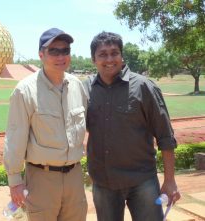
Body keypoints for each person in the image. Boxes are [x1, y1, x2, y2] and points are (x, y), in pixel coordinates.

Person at [83, 31, 181, 221]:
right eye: (103, 54)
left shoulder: (144, 87)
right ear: (93, 59)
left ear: (122, 56)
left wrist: (170, 181)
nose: (109, 59)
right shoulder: (85, 90)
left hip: (142, 181)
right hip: (104, 183)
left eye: (114, 53)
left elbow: (165, 136)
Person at [4, 28, 88, 221]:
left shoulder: (77, 87)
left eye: (65, 50)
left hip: (74, 176)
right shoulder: (25, 91)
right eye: (54, 51)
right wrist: (15, 181)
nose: (61, 56)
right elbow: (15, 138)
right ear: (41, 54)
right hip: (42, 178)